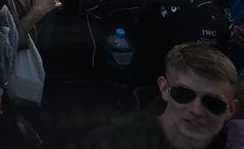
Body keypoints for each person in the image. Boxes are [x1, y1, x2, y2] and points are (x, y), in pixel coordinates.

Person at [86, 43, 236, 149]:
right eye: (183, 94)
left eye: (213, 103)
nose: (196, 110)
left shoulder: (231, 142)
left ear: (231, 109)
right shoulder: (110, 141)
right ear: (164, 89)